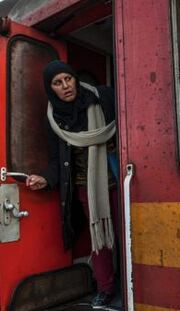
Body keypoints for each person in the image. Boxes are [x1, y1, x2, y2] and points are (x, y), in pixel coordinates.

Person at [26, 60, 118, 308]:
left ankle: (141, 283)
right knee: (99, 237)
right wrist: (46, 178)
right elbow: (58, 159)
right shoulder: (53, 119)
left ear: (75, 78)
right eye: (57, 83)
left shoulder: (103, 98)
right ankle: (106, 287)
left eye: (68, 78)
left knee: (130, 229)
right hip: (84, 185)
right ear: (50, 88)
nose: (65, 86)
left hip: (118, 178)